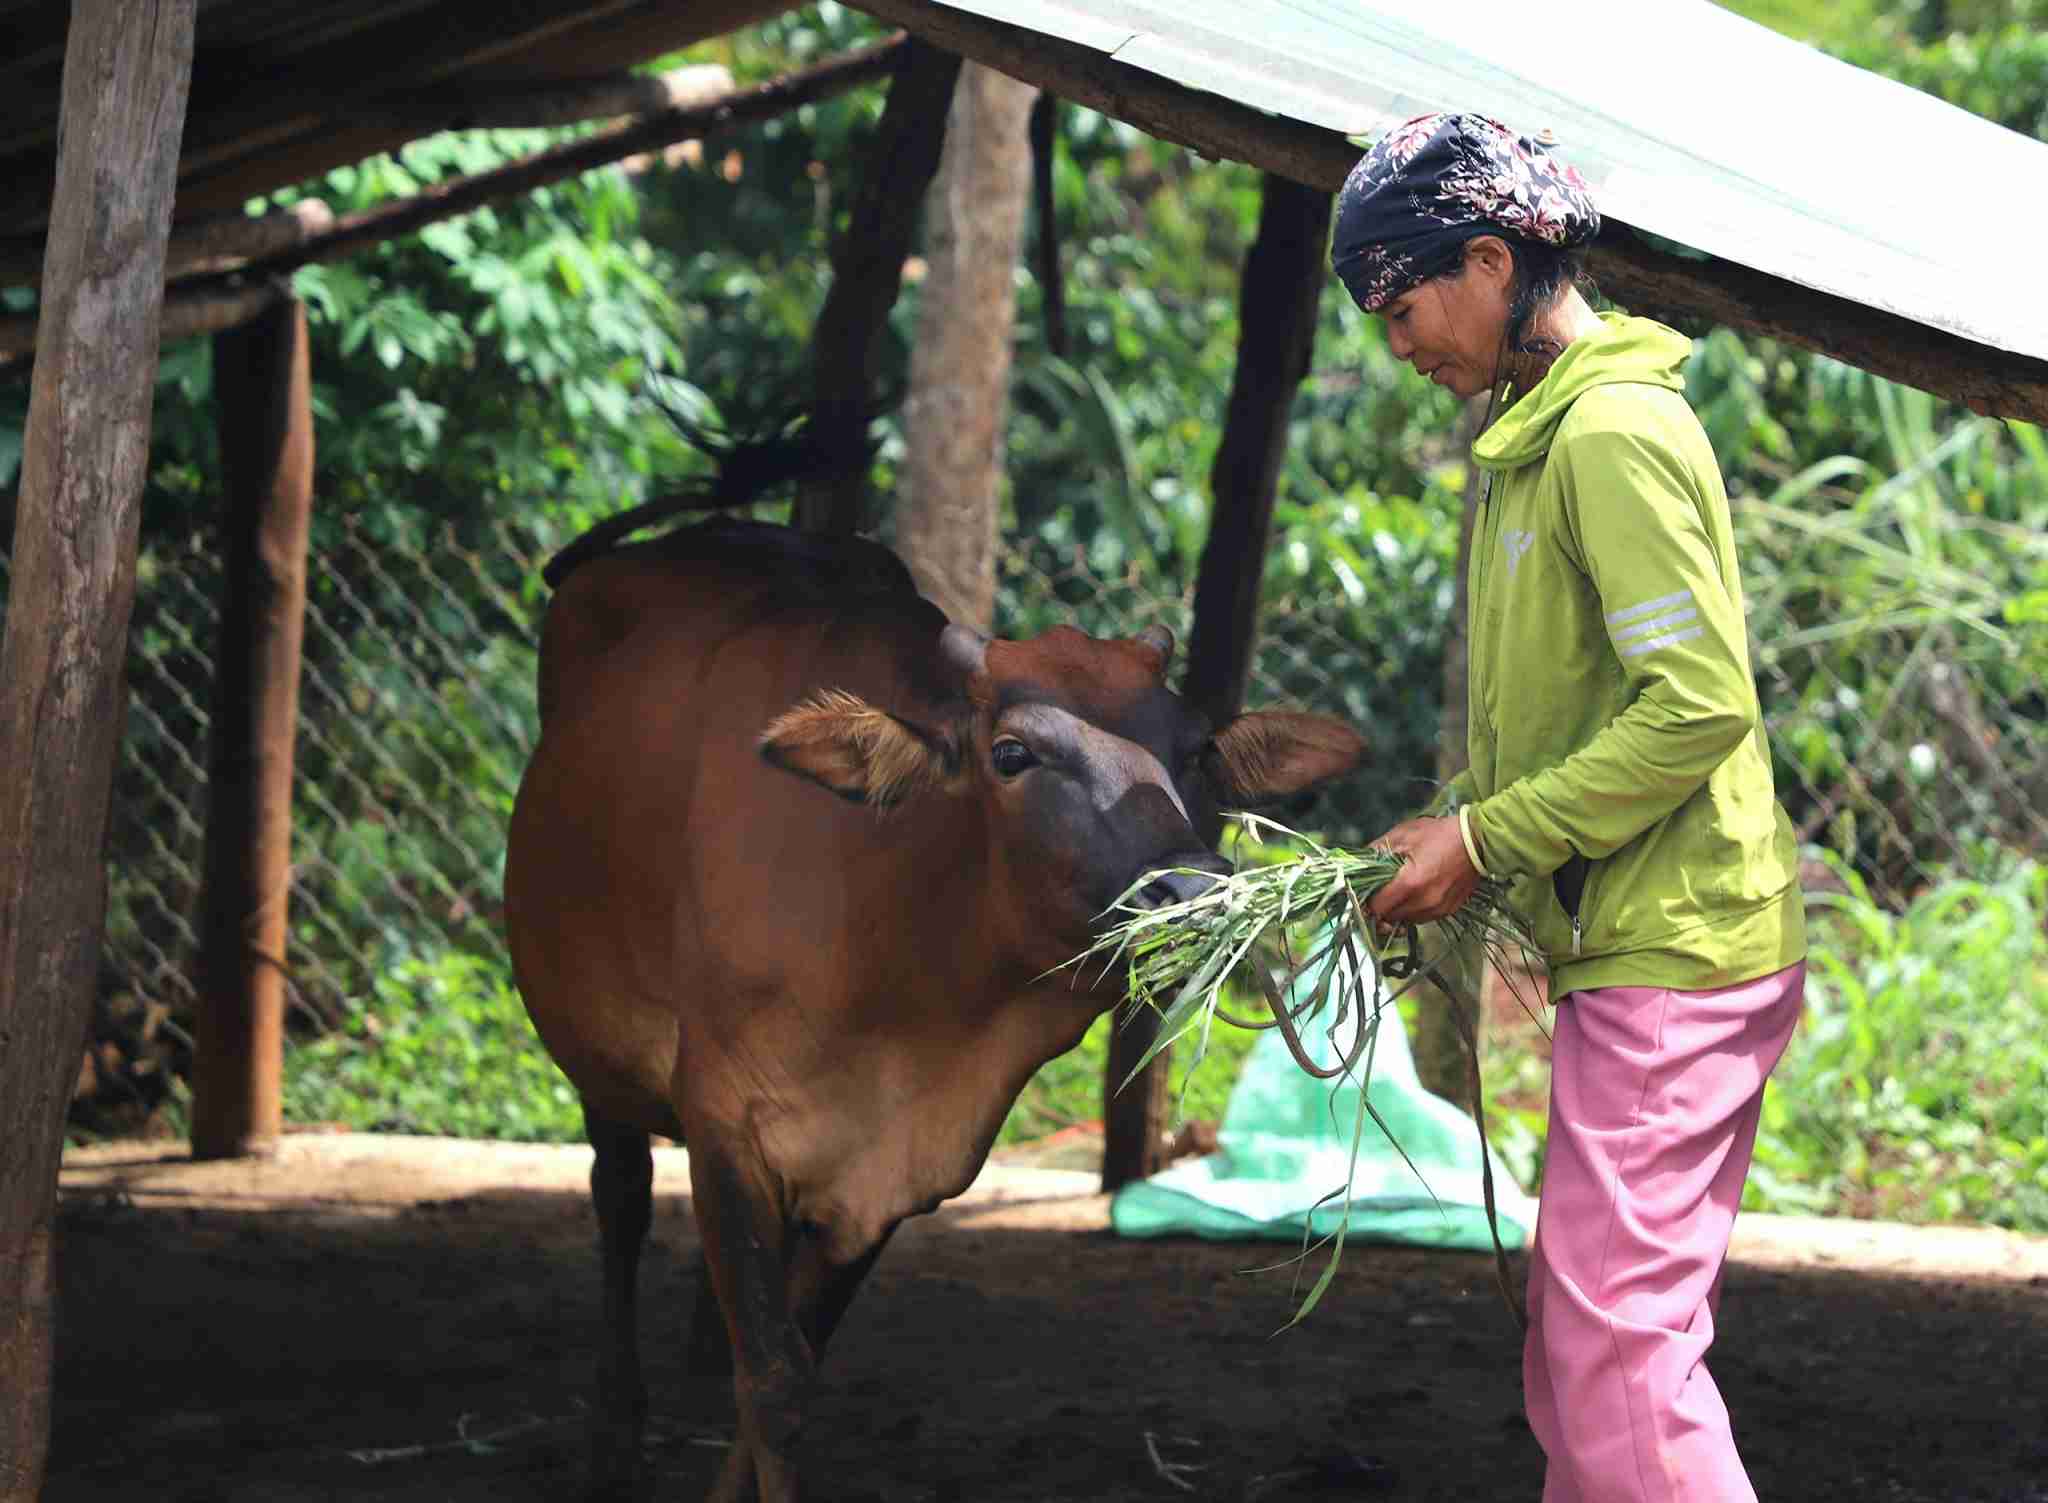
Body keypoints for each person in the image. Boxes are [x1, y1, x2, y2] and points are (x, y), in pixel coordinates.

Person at [1331, 112, 1809, 1503]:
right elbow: (1574, 713)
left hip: (1683, 949)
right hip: (1641, 947)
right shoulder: (1531, 443)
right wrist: (1453, 824)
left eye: (1404, 307)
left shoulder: (1610, 433)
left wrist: (1482, 841)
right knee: (1584, 1346)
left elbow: (1698, 704)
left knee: (1615, 1352)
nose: (1400, 346)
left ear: (1489, 263)